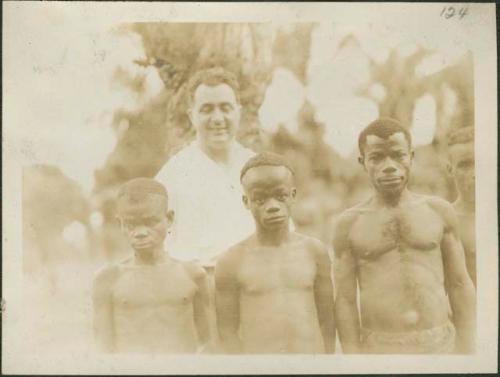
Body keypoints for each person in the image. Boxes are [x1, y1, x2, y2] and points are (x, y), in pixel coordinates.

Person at [333, 118, 475, 354]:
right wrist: (353, 359)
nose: (389, 166)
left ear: (411, 156)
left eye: (398, 155)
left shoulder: (438, 211)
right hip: (380, 348)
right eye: (377, 157)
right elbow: (345, 301)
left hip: (440, 342)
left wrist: (469, 349)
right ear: (362, 162)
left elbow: (460, 284)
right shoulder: (349, 224)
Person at [215, 152, 335, 354]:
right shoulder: (231, 261)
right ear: (246, 201)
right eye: (260, 199)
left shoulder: (315, 251)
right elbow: (227, 333)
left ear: (293, 195)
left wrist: (328, 365)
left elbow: (327, 321)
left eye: (280, 196)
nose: (272, 207)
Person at [92, 178, 210, 353]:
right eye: (131, 224)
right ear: (120, 224)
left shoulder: (193, 275)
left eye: (150, 222)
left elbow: (206, 342)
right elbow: (105, 350)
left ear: (169, 219)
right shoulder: (108, 278)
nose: (140, 233)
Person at [155, 67, 255, 267]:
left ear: (238, 111)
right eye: (207, 109)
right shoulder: (172, 176)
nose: (218, 119)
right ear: (192, 116)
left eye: (225, 108)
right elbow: (156, 250)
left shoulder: (256, 167)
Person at [447, 126, 476, 286]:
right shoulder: (445, 221)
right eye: (465, 165)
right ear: (450, 170)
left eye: (481, 163)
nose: (475, 173)